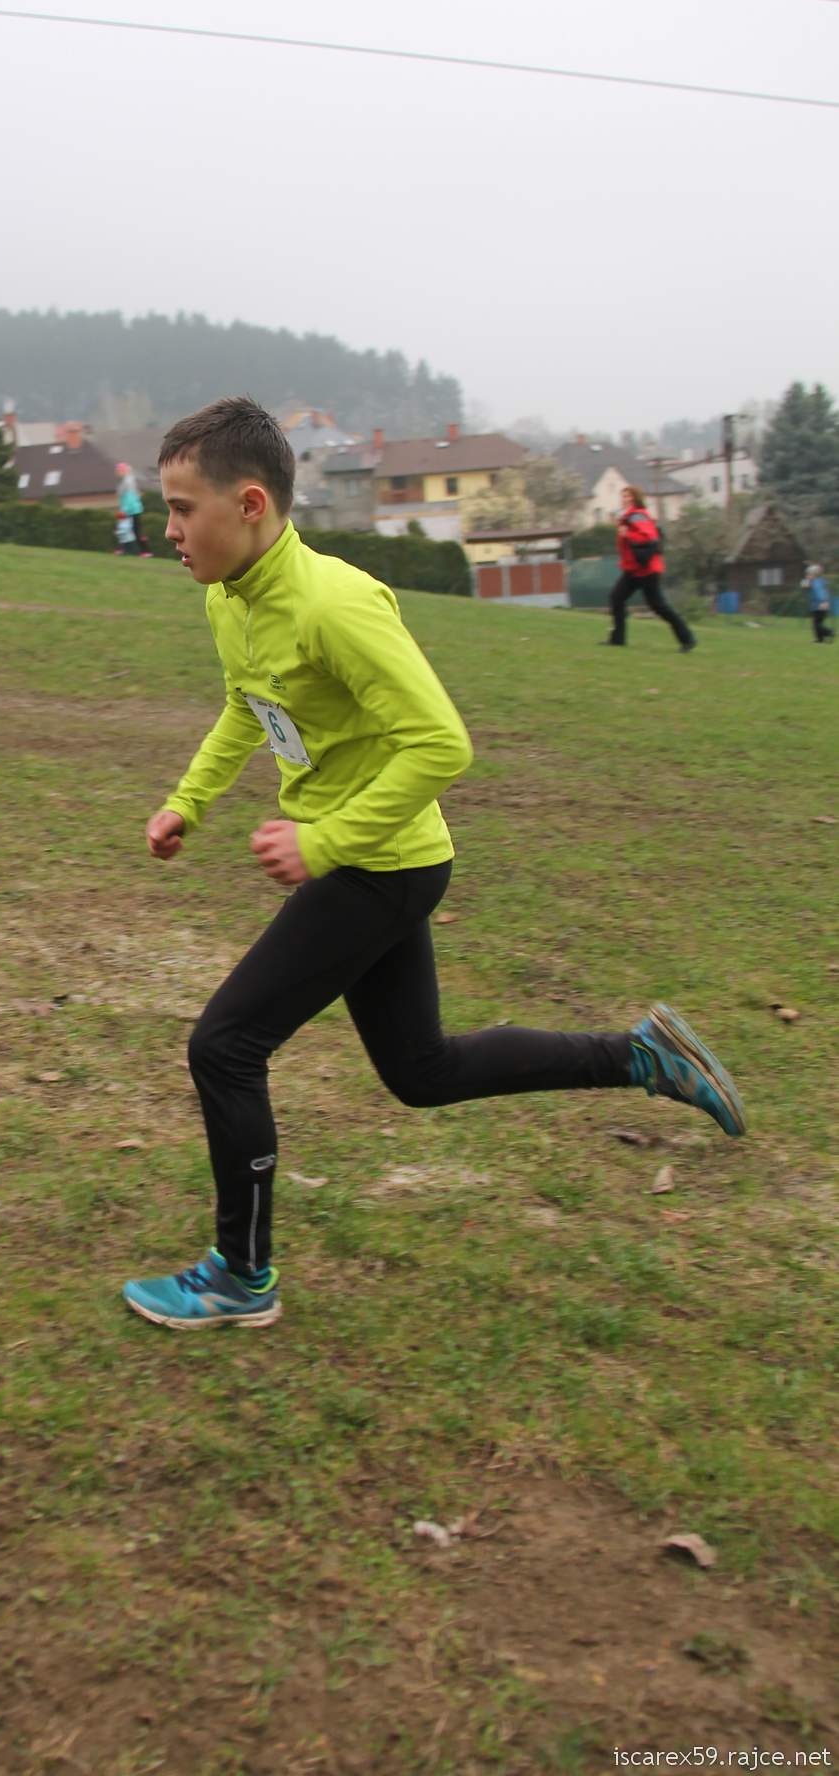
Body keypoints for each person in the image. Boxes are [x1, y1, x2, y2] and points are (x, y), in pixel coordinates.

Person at [123, 398, 744, 1331]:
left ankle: (240, 1276)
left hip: (380, 866)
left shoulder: (334, 604)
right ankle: (641, 1054)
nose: (167, 530)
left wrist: (325, 842)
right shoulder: (230, 598)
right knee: (421, 1070)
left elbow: (441, 743)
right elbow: (247, 707)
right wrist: (188, 801)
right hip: (372, 864)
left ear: (248, 504)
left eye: (181, 509)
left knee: (224, 1046)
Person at [605, 485, 695, 652]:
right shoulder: (629, 517)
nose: (625, 499)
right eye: (623, 496)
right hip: (634, 569)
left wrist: (627, 534)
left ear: (636, 499)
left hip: (647, 570)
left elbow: (649, 537)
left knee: (658, 606)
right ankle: (617, 640)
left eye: (628, 496)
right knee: (617, 598)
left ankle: (687, 639)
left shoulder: (637, 516)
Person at [115, 462, 151, 556]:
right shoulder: (126, 481)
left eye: (120, 470)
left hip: (132, 510)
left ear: (124, 471)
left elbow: (130, 498)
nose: (118, 472)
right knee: (125, 530)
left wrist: (124, 511)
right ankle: (123, 549)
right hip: (130, 510)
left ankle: (146, 551)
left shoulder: (128, 482)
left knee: (131, 530)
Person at [803, 562, 834, 643]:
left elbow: (820, 593)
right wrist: (808, 580)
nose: (807, 575)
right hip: (817, 605)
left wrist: (823, 602)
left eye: (809, 574)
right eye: (807, 574)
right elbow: (804, 585)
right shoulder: (816, 581)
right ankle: (819, 639)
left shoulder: (816, 582)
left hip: (820, 605)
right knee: (817, 623)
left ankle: (830, 632)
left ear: (814, 574)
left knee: (816, 624)